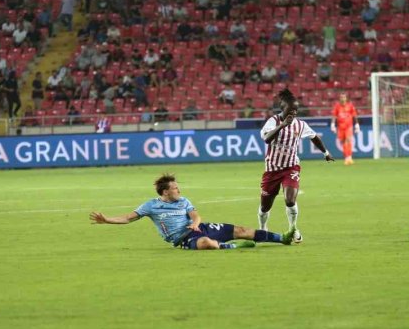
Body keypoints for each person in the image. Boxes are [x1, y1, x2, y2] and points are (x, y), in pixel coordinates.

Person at [89, 174, 295, 250]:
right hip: (183, 238)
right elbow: (128, 218)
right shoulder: (151, 205)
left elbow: (195, 215)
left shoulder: (184, 201)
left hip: (198, 228)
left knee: (242, 229)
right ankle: (232, 247)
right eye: (175, 188)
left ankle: (281, 238)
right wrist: (107, 220)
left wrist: (196, 223)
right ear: (165, 192)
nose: (179, 190)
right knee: (207, 244)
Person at [258, 89, 334, 243]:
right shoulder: (273, 121)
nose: (293, 112)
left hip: (291, 167)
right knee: (265, 207)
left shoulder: (300, 125)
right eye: (290, 110)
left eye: (296, 110)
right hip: (272, 169)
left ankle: (293, 228)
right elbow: (266, 139)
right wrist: (282, 126)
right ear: (282, 109)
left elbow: (314, 137)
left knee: (290, 200)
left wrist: (325, 152)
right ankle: (263, 228)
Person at [331, 93, 360, 166]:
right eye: (341, 97)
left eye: (344, 97)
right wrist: (333, 125)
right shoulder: (337, 106)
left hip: (348, 126)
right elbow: (334, 116)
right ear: (339, 98)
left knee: (348, 140)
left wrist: (356, 124)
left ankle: (349, 158)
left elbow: (354, 115)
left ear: (346, 98)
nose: (342, 98)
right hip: (340, 127)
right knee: (343, 142)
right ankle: (347, 157)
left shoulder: (350, 105)